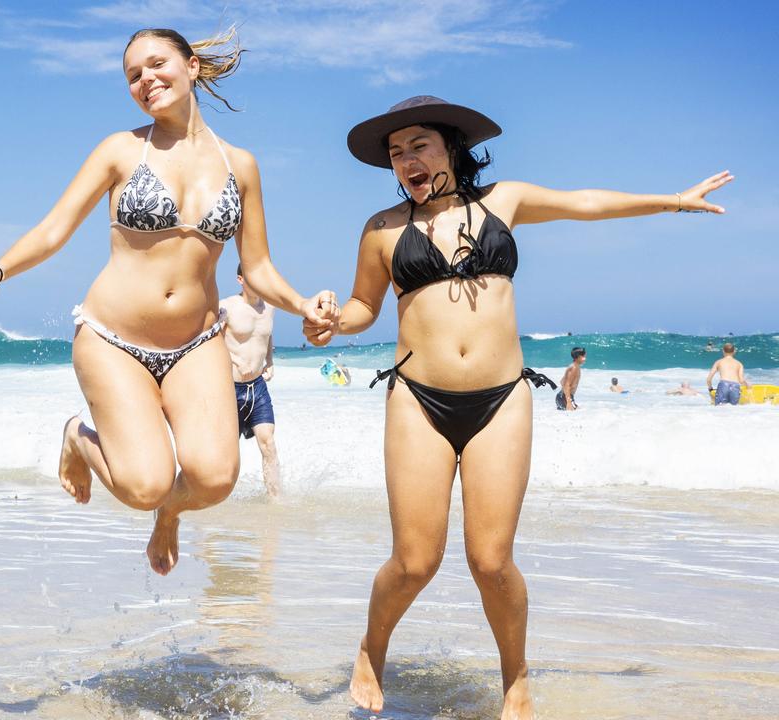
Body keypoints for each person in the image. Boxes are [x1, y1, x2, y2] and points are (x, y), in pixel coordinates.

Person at [306, 94, 730, 718]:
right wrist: (329, 322)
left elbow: (584, 203)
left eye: (418, 146)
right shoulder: (382, 229)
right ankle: (372, 649)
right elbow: (364, 307)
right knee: (415, 562)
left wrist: (670, 200)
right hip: (417, 400)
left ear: (451, 147)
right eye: (396, 154)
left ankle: (516, 678)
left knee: (491, 560)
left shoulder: (502, 202)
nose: (406, 161)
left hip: (502, 399)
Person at [0, 28, 334, 575]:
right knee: (143, 485)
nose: (145, 79)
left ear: (192, 67)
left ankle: (170, 514)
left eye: (156, 65)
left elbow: (259, 268)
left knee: (216, 479)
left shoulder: (240, 165)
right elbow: (55, 229)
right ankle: (79, 437)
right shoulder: (121, 150)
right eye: (132, 75)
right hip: (113, 339)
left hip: (197, 343)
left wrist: (303, 305)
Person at [221, 263, 280, 498]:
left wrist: (270, 361)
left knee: (268, 444)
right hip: (229, 390)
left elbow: (266, 334)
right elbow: (208, 339)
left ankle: (275, 502)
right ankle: (213, 502)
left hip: (257, 388)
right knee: (225, 454)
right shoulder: (225, 307)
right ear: (240, 280)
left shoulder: (270, 308)